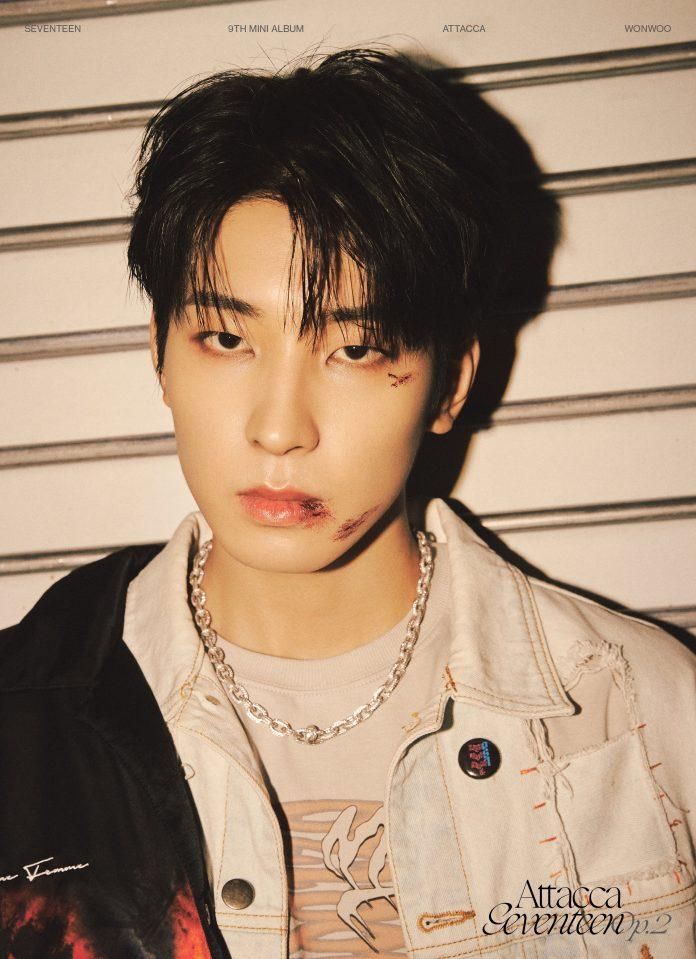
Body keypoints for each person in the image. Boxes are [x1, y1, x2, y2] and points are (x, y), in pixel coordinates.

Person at [1, 47, 695, 959]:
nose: (280, 429)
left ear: (451, 385)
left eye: (357, 349)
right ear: (159, 351)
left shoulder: (644, 715)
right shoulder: (25, 728)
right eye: (225, 338)